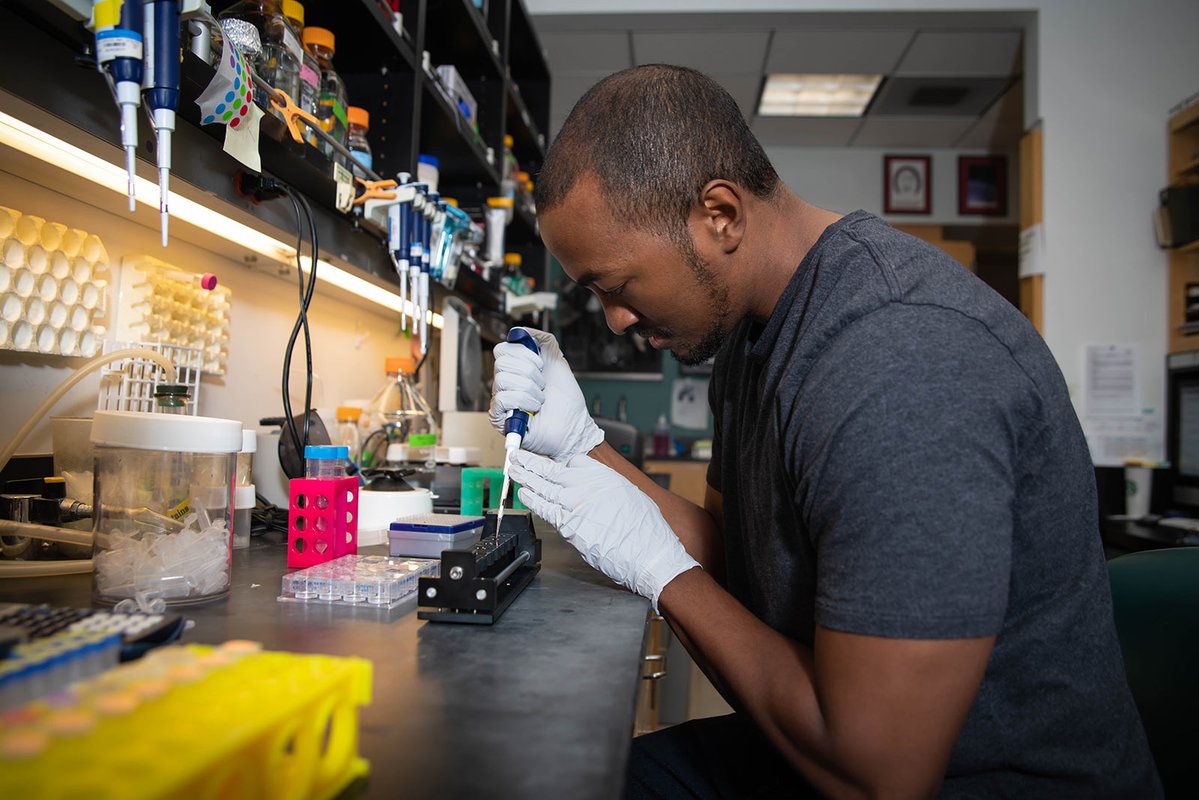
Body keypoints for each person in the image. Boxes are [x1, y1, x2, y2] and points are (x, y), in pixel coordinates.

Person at [489, 64, 1160, 798]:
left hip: (976, 781)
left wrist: (661, 574)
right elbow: (737, 563)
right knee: (543, 776)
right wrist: (586, 447)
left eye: (616, 286)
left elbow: (876, 774)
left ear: (719, 214)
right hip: (844, 750)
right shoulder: (752, 331)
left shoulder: (900, 362)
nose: (613, 317)